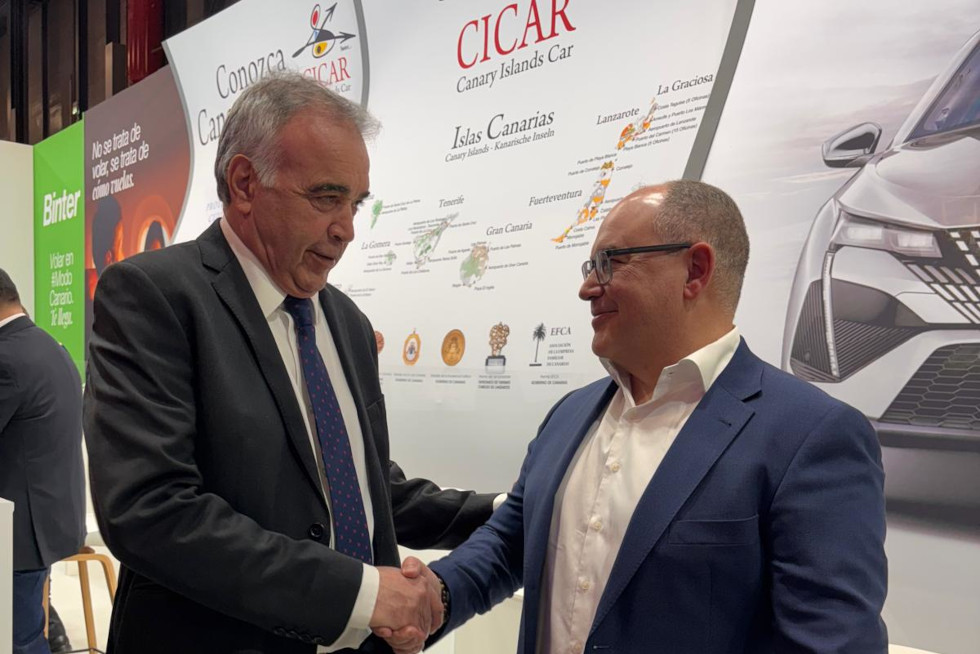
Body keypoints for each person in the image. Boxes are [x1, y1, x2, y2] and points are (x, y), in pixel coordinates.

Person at [84, 72, 496, 653]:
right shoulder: (154, 297)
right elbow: (150, 510)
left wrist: (503, 511)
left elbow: (360, 485)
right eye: (327, 197)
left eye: (356, 203)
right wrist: (359, 595)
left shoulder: (347, 323)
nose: (346, 229)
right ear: (245, 183)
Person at [405, 181, 888, 653]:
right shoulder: (570, 414)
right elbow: (513, 540)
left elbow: (832, 642)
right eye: (590, 266)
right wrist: (435, 595)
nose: (587, 288)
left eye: (610, 262)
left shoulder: (811, 436)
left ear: (695, 270)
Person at [0, 269, 86, 654]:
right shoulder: (48, 346)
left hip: (18, 532)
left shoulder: (7, 358)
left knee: (16, 640)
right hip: (45, 521)